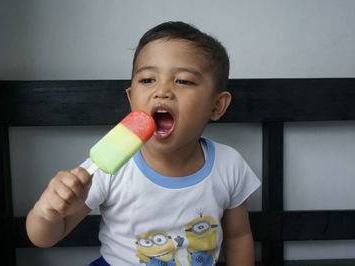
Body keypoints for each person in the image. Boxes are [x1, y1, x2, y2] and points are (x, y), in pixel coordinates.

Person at [26, 21, 261, 266]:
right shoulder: (109, 168)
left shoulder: (229, 165)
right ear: (131, 98)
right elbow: (44, 238)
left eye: (183, 81)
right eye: (148, 80)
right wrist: (47, 212)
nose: (162, 91)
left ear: (217, 105)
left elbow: (238, 236)